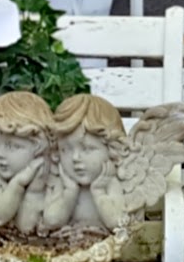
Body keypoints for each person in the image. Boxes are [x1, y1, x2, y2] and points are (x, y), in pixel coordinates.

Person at [0, 91, 61, 235]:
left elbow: (27, 227)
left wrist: (35, 191)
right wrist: (18, 183)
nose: (0, 154)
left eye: (13, 146)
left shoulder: (48, 175)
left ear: (39, 147)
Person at [42, 93, 128, 232]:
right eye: (66, 149)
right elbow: (51, 221)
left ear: (111, 150)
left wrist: (99, 192)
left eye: (87, 149)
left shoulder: (110, 183)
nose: (75, 158)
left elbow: (117, 222)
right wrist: (69, 192)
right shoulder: (63, 183)